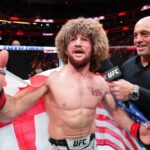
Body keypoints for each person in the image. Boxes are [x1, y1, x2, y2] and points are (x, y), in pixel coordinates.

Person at [0, 17, 150, 150]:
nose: (78, 43)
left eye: (84, 39)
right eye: (72, 39)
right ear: (65, 48)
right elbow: (9, 112)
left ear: (94, 48)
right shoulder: (50, 80)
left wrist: (136, 130)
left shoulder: (100, 82)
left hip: (91, 145)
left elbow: (116, 111)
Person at [110, 16, 150, 149]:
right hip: (133, 140)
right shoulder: (128, 64)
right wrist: (101, 60)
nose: (138, 40)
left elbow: (130, 91)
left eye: (145, 34)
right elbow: (115, 79)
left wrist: (134, 91)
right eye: (135, 35)